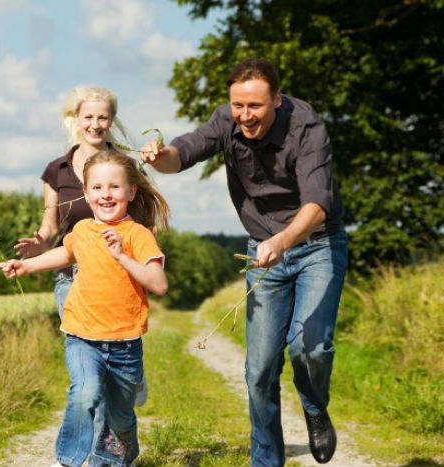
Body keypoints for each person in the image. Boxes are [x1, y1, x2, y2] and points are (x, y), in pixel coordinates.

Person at [140, 58, 347, 467]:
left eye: (255, 106)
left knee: (312, 349)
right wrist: (159, 156)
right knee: (260, 368)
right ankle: (266, 461)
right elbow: (184, 153)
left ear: (277, 100)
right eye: (238, 106)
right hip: (262, 250)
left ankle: (314, 405)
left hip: (316, 244)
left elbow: (318, 205)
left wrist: (283, 240)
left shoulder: (307, 127)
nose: (245, 116)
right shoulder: (226, 120)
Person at [1, 149, 170, 467]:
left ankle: (117, 459)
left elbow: (158, 283)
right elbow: (64, 255)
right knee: (85, 392)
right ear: (86, 193)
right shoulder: (81, 232)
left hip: (124, 345)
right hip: (82, 336)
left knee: (119, 420)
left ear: (131, 191)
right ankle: (68, 461)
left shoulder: (138, 235)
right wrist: (26, 266)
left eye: (114, 187)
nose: (105, 195)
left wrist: (122, 256)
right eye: (97, 187)